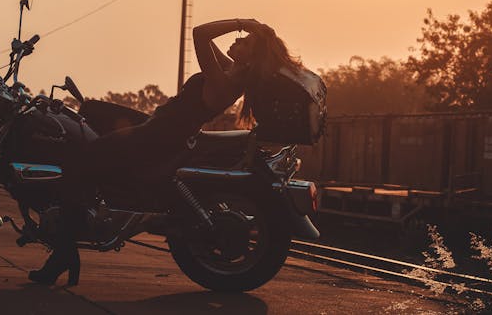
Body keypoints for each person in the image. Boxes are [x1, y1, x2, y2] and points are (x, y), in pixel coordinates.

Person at [28, 18, 304, 286]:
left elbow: (200, 34)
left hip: (155, 138)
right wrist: (249, 34)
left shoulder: (224, 82)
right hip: (158, 130)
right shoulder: (231, 73)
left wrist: (241, 22)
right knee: (92, 112)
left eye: (245, 41)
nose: (237, 39)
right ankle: (79, 231)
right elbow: (215, 46)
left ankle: (64, 254)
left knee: (77, 166)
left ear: (251, 57)